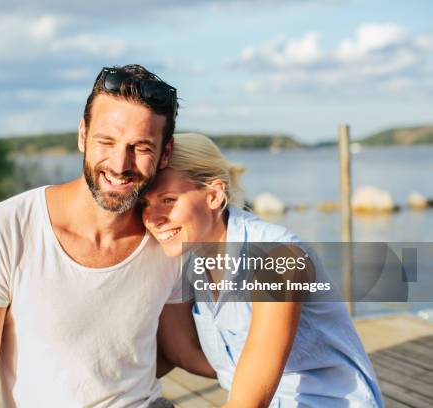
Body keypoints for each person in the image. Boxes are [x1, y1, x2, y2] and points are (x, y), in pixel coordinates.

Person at [0, 66, 213, 408]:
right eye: (107, 141)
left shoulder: (167, 238)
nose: (119, 163)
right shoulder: (7, 227)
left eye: (141, 147)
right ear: (83, 136)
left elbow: (179, 349)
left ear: (166, 153)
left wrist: (270, 364)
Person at [142, 133, 384, 407]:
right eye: (145, 204)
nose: (153, 218)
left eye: (168, 200)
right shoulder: (186, 262)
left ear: (213, 195)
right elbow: (181, 351)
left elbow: (249, 402)